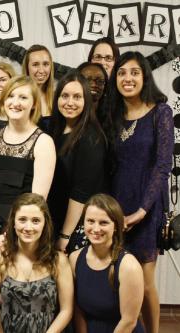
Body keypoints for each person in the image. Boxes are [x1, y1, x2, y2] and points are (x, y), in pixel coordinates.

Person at [107, 51, 174, 333]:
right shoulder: (112, 114)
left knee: (145, 285)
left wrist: (142, 210)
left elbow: (163, 165)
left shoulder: (161, 112)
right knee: (114, 278)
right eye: (122, 73)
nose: (128, 78)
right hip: (114, 206)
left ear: (145, 76)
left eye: (134, 72)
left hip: (147, 208)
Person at [0, 76, 56, 252]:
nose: (15, 102)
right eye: (11, 96)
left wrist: (8, 237)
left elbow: (37, 202)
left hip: (21, 233)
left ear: (34, 104)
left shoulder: (43, 142)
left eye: (23, 97)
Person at [0, 193, 73, 332]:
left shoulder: (59, 261)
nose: (28, 227)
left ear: (45, 223)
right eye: (22, 219)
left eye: (36, 221)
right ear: (13, 222)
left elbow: (67, 310)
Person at [47, 70, 108, 253]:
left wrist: (65, 236)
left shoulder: (91, 137)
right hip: (56, 219)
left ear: (86, 101)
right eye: (65, 96)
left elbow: (80, 193)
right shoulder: (54, 130)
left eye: (77, 97)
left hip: (77, 226)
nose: (70, 102)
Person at [69, 194, 144, 333]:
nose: (96, 229)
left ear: (116, 226)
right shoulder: (74, 258)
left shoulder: (129, 266)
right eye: (90, 221)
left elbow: (129, 322)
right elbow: (77, 311)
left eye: (103, 223)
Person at [22, 44, 55, 130]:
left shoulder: (57, 98)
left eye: (46, 64)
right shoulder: (18, 98)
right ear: (27, 67)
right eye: (35, 64)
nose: (41, 70)